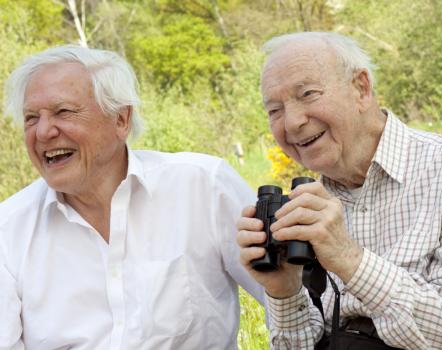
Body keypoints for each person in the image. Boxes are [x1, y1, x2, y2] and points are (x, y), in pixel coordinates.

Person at [0, 45, 264, 349]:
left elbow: (291, 301)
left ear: (121, 120)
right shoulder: (7, 232)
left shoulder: (203, 185)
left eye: (64, 112)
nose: (43, 132)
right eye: (31, 118)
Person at [236, 32, 442, 349]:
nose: (292, 122)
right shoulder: (308, 207)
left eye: (308, 94)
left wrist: (351, 261)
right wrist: (285, 292)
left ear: (361, 88)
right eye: (275, 110)